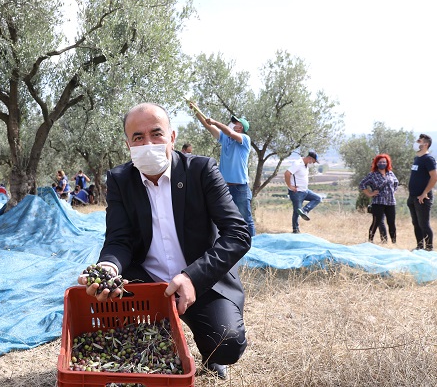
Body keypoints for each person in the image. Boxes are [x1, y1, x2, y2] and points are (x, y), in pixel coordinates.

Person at [78, 103, 251, 380]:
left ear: (172, 137)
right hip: (144, 280)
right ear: (128, 144)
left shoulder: (201, 170)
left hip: (200, 279)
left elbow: (238, 234)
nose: (148, 143)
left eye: (156, 134)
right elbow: (118, 239)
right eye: (138, 137)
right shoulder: (121, 180)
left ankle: (210, 354)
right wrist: (109, 267)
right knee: (132, 344)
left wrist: (192, 277)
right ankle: (160, 338)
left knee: (226, 344)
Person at [187, 101, 256, 236]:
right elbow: (208, 125)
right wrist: (196, 110)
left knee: (246, 219)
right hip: (225, 186)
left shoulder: (245, 139)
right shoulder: (224, 138)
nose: (233, 124)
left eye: (236, 122)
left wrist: (216, 122)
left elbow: (227, 131)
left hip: (240, 188)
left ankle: (254, 248)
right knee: (225, 219)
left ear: (241, 127)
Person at [407, 133, 437, 251]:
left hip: (423, 198)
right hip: (413, 197)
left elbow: (435, 177)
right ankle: (419, 247)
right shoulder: (417, 159)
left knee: (424, 225)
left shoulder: (428, 159)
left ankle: (429, 249)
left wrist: (424, 192)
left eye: (418, 141)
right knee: (416, 223)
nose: (416, 143)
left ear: (425, 144)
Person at [359, 154, 399, 243]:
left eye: (384, 162)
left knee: (391, 223)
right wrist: (370, 194)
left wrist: (393, 192)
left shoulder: (390, 173)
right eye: (380, 162)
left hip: (390, 202)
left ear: (387, 163)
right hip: (378, 202)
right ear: (376, 163)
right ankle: (370, 241)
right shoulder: (372, 175)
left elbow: (396, 183)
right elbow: (362, 184)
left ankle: (393, 242)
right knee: (376, 222)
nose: (382, 163)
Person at [284, 151, 322, 233]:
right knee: (297, 211)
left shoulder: (305, 165)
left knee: (318, 198)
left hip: (305, 191)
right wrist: (290, 186)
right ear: (310, 159)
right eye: (313, 162)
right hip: (297, 192)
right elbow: (287, 173)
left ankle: (305, 210)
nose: (313, 164)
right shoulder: (298, 164)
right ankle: (295, 230)